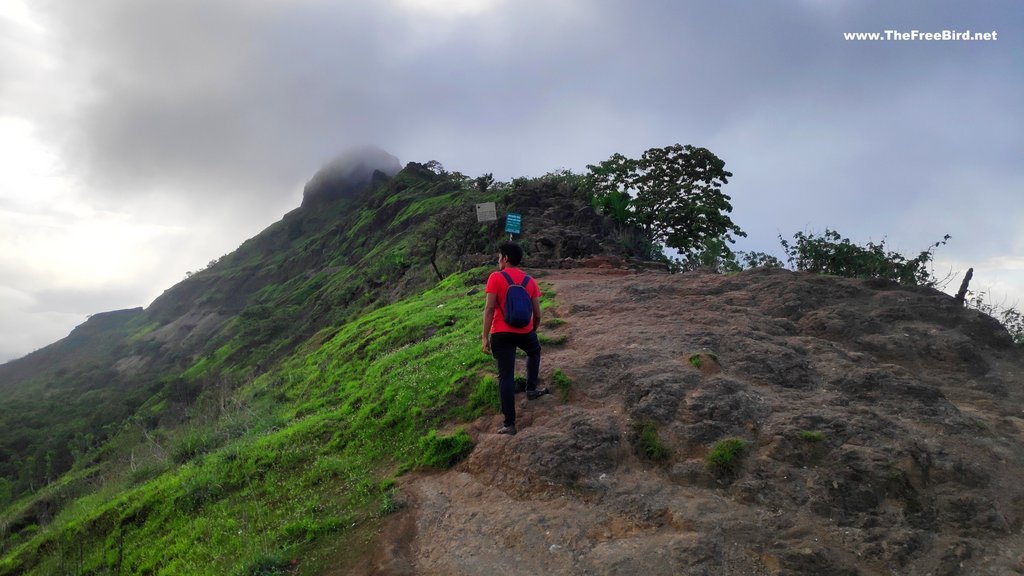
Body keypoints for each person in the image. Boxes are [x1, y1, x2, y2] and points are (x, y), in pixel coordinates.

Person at [482, 241, 547, 435]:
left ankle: (509, 424)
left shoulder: (495, 277)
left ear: (506, 258)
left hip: (501, 333)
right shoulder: (530, 281)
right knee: (534, 351)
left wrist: (485, 337)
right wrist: (532, 330)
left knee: (506, 376)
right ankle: (531, 389)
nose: (498, 259)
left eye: (499, 256)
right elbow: (538, 314)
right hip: (525, 331)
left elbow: (489, 309)